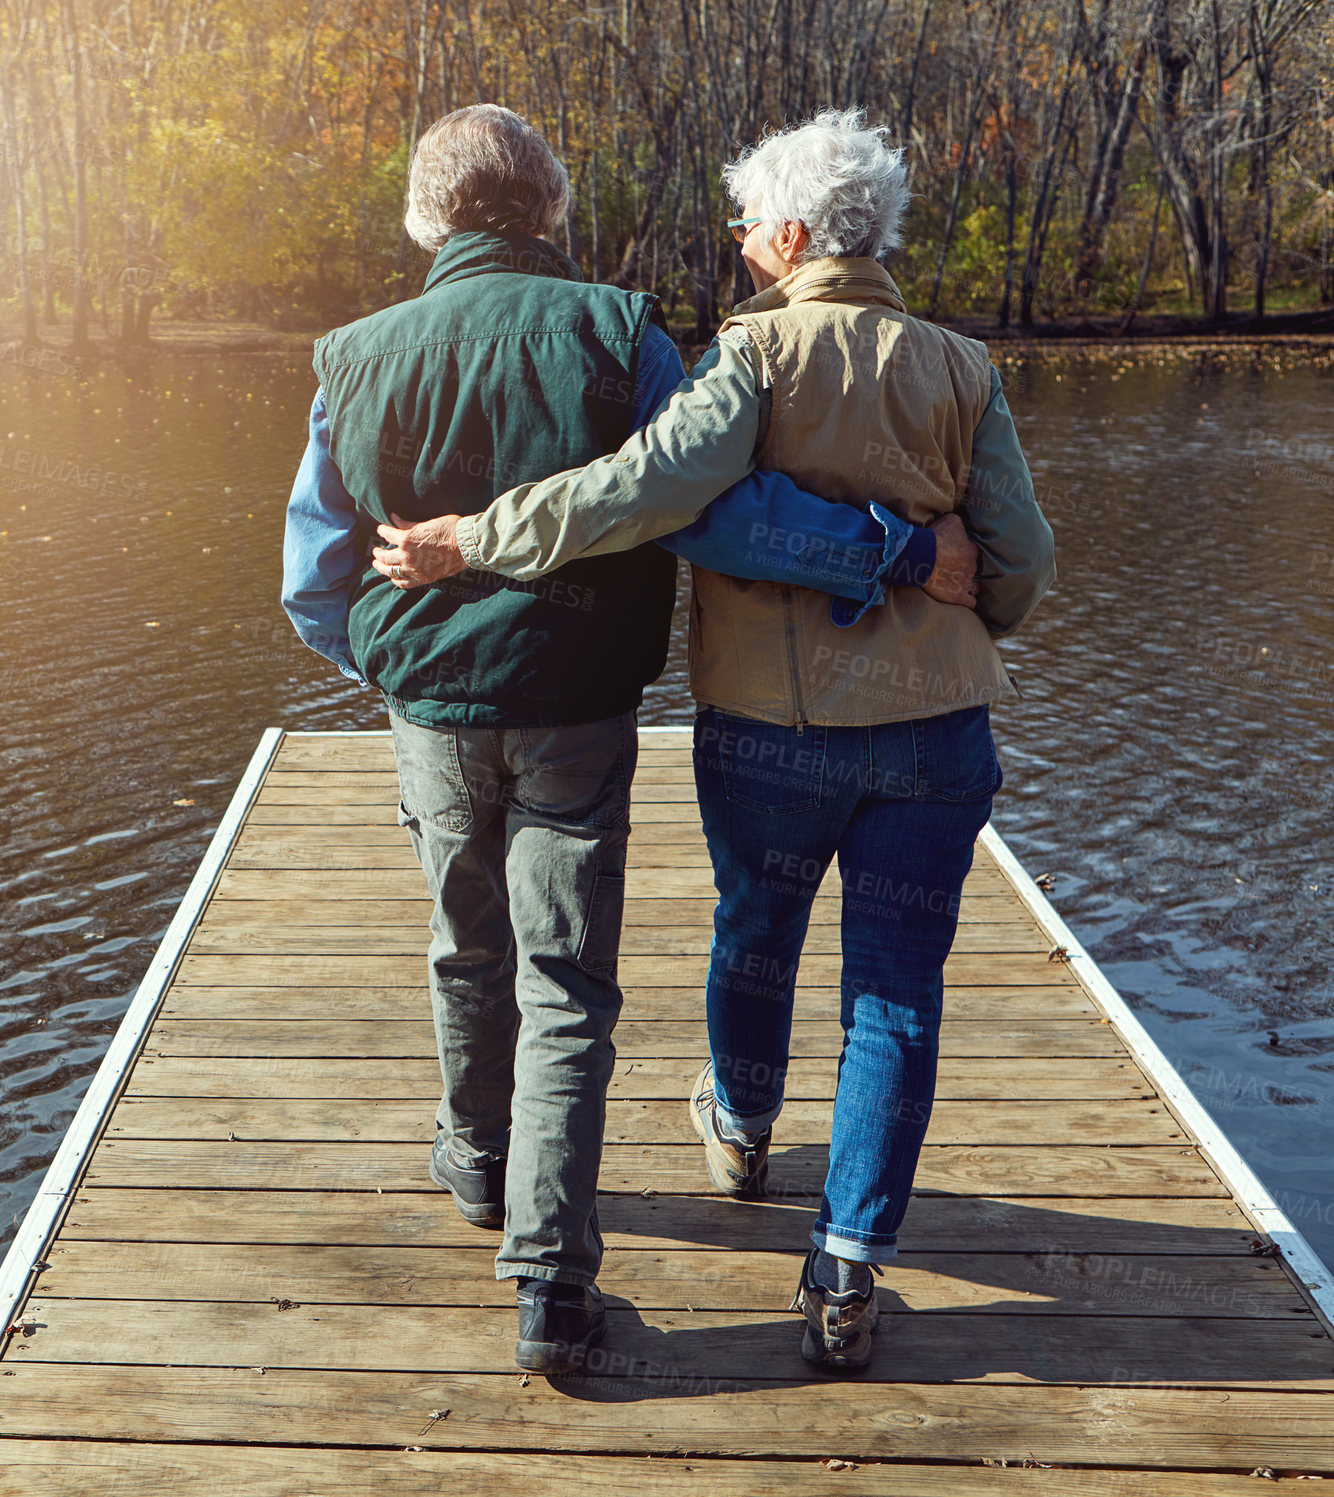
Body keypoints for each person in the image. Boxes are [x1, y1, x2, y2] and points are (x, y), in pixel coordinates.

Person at [281, 104, 975, 1376]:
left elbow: (313, 581)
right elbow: (711, 509)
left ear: (424, 221)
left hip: (429, 712)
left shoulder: (351, 355)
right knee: (566, 988)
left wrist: (391, 667)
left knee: (461, 943)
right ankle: (550, 1285)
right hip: (579, 711)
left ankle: (477, 1162)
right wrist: (895, 551)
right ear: (549, 210)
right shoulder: (618, 334)